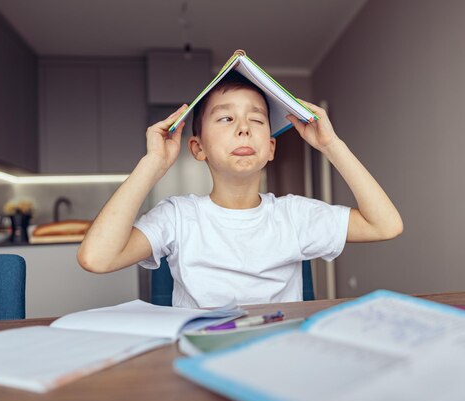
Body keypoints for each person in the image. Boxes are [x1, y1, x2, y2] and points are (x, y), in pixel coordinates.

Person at [78, 72, 403, 308]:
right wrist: (153, 163)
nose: (244, 128)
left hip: (277, 358)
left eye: (257, 120)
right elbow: (96, 258)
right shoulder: (178, 216)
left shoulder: (294, 215)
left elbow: (385, 224)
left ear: (271, 148)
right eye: (226, 119)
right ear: (198, 147)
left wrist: (332, 146)